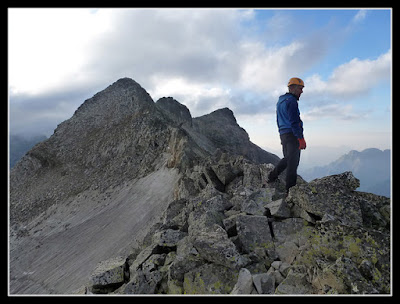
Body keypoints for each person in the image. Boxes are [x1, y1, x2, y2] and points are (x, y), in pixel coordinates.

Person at [267, 77, 306, 193]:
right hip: (292, 135)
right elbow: (294, 121)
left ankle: (272, 176)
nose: (302, 91)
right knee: (293, 164)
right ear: (293, 88)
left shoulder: (280, 101)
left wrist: (281, 133)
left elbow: (279, 119)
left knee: (288, 159)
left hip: (283, 135)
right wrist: (300, 138)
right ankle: (290, 192)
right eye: (300, 88)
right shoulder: (292, 101)